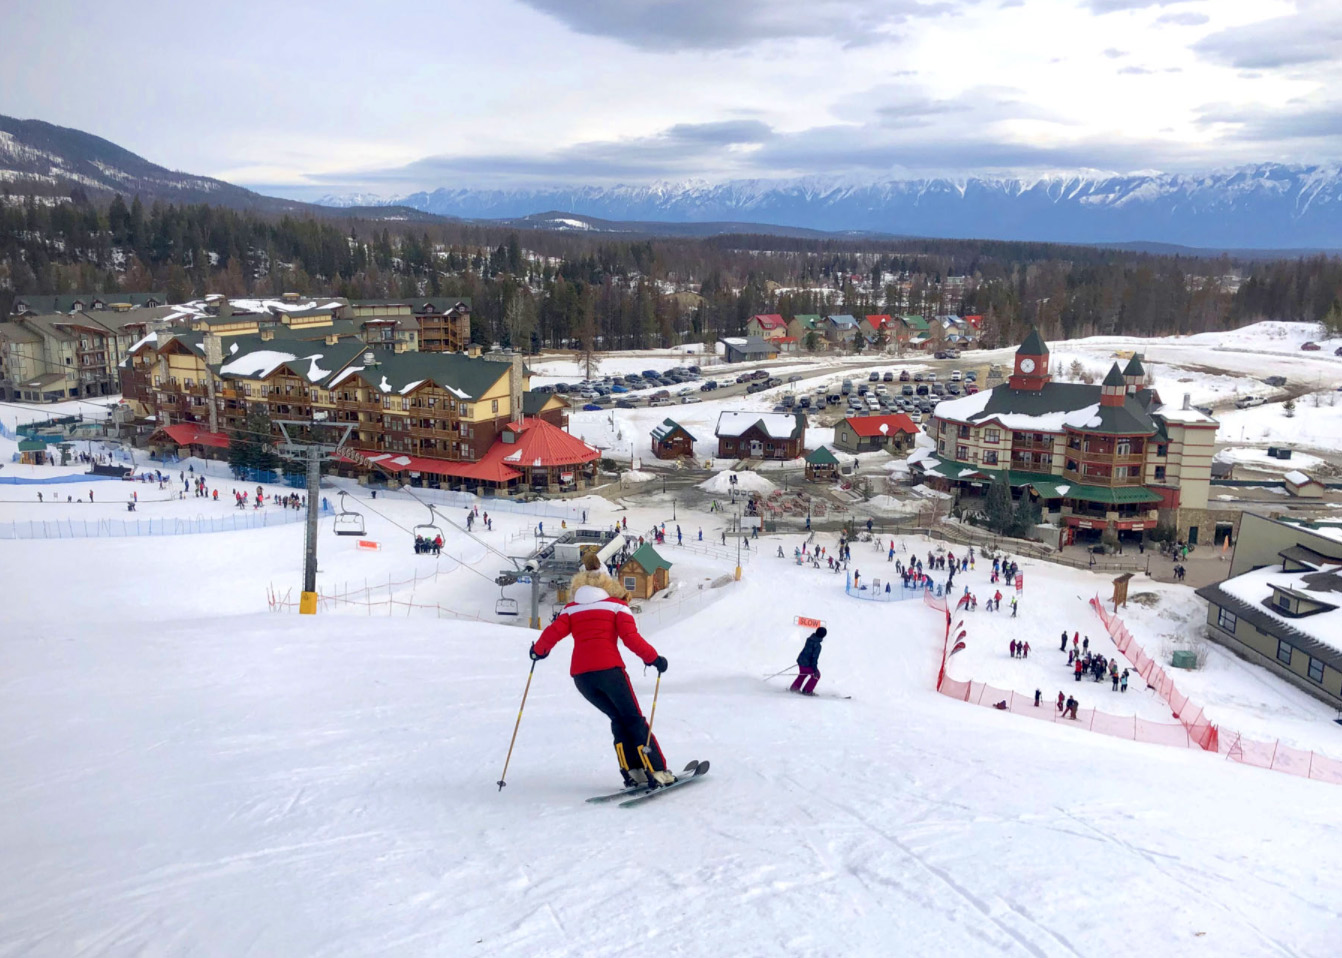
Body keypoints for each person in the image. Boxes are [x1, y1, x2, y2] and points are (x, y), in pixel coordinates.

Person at [530, 552, 673, 789]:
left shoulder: (570, 610)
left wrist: (538, 651)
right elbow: (631, 638)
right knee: (634, 720)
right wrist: (654, 659)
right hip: (610, 673)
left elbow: (551, 634)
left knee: (618, 718)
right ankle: (657, 771)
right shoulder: (616, 606)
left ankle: (633, 771)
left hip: (582, 678)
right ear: (607, 582)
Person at [790, 626, 827, 696]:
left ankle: (794, 688)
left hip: (801, 661)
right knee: (817, 675)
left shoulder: (810, 639)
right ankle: (807, 691)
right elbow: (814, 658)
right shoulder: (817, 645)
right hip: (807, 664)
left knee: (803, 674)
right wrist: (815, 670)